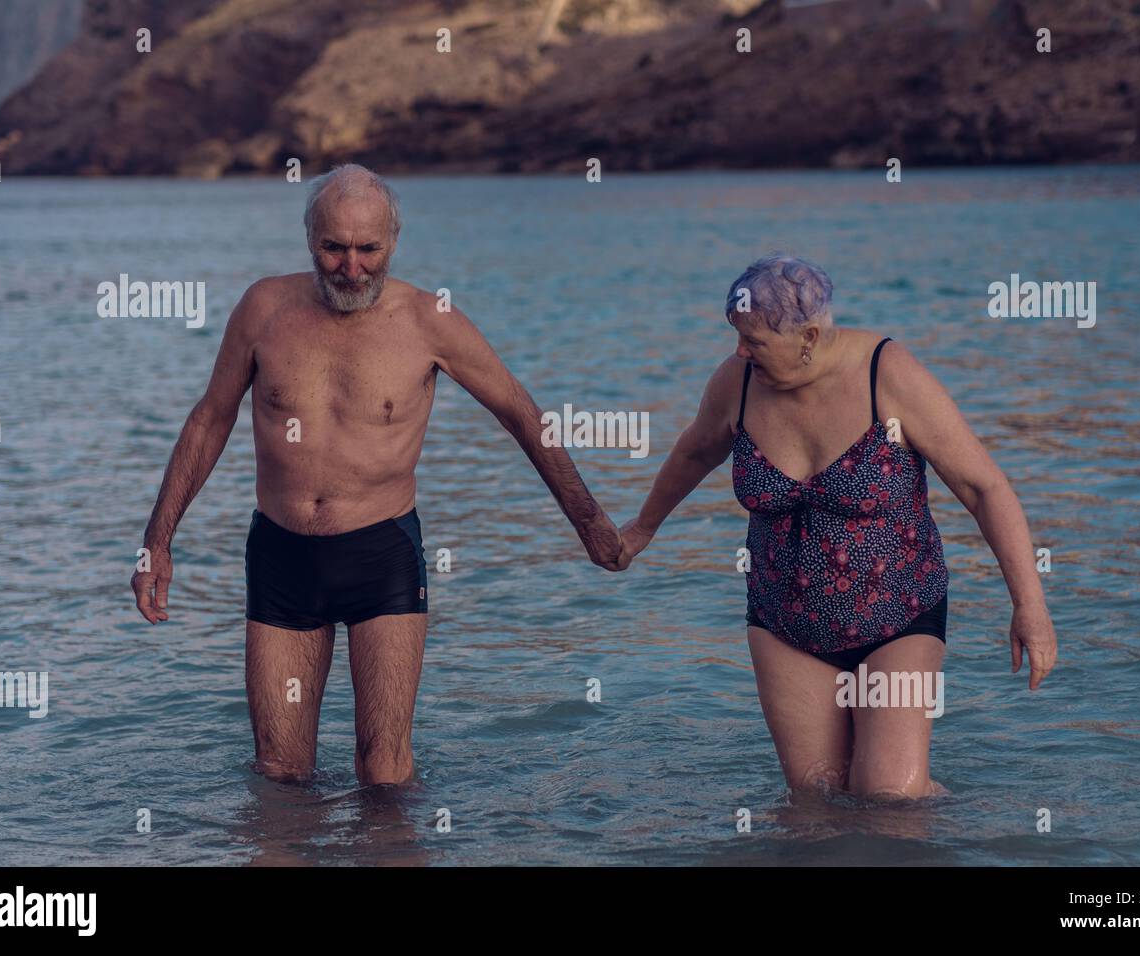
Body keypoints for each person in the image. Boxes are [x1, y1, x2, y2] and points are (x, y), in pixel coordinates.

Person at [130, 164, 622, 786]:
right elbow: (210, 419)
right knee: (280, 773)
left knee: (384, 775)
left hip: (381, 555)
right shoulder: (264, 308)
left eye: (369, 249)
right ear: (310, 239)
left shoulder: (429, 321)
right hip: (282, 558)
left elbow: (522, 415)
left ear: (393, 241)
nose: (352, 267)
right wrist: (157, 541)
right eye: (334, 248)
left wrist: (591, 524)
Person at [616, 255, 1058, 800]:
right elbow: (692, 453)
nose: (739, 351)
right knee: (815, 804)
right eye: (736, 336)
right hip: (785, 621)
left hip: (898, 615)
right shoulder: (738, 384)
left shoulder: (886, 374)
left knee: (892, 796)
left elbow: (983, 488)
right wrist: (641, 530)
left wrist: (1029, 605)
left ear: (809, 335)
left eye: (753, 340)